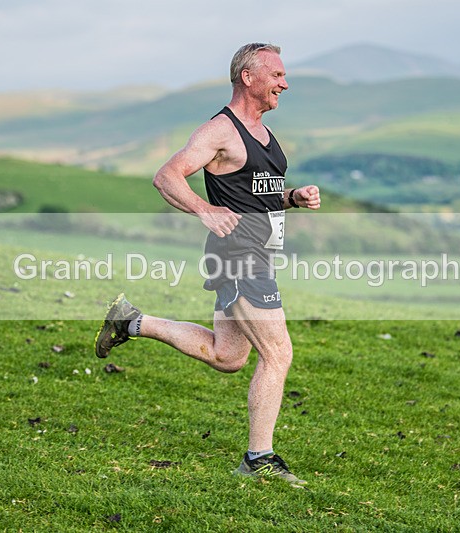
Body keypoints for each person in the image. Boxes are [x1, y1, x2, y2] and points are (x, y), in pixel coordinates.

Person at [94, 42, 320, 484]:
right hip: (239, 256)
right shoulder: (220, 130)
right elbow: (166, 176)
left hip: (256, 255)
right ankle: (259, 460)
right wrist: (204, 209)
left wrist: (292, 197)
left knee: (228, 355)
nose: (284, 83)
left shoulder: (263, 135)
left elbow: (256, 194)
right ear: (248, 77)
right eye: (276, 75)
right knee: (278, 353)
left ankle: (131, 321)